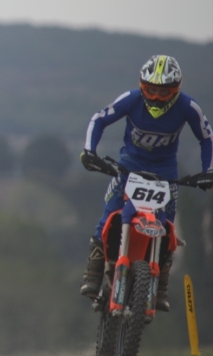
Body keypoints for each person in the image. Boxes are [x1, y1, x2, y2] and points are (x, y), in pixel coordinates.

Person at [79, 55, 213, 310]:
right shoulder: (130, 99)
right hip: (128, 168)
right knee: (108, 214)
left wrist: (209, 170)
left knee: (168, 228)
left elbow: (207, 137)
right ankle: (94, 274)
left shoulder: (188, 107)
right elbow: (99, 119)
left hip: (165, 174)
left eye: (164, 91)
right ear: (142, 86)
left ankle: (160, 283)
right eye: (151, 90)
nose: (157, 97)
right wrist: (90, 151)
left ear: (176, 89)